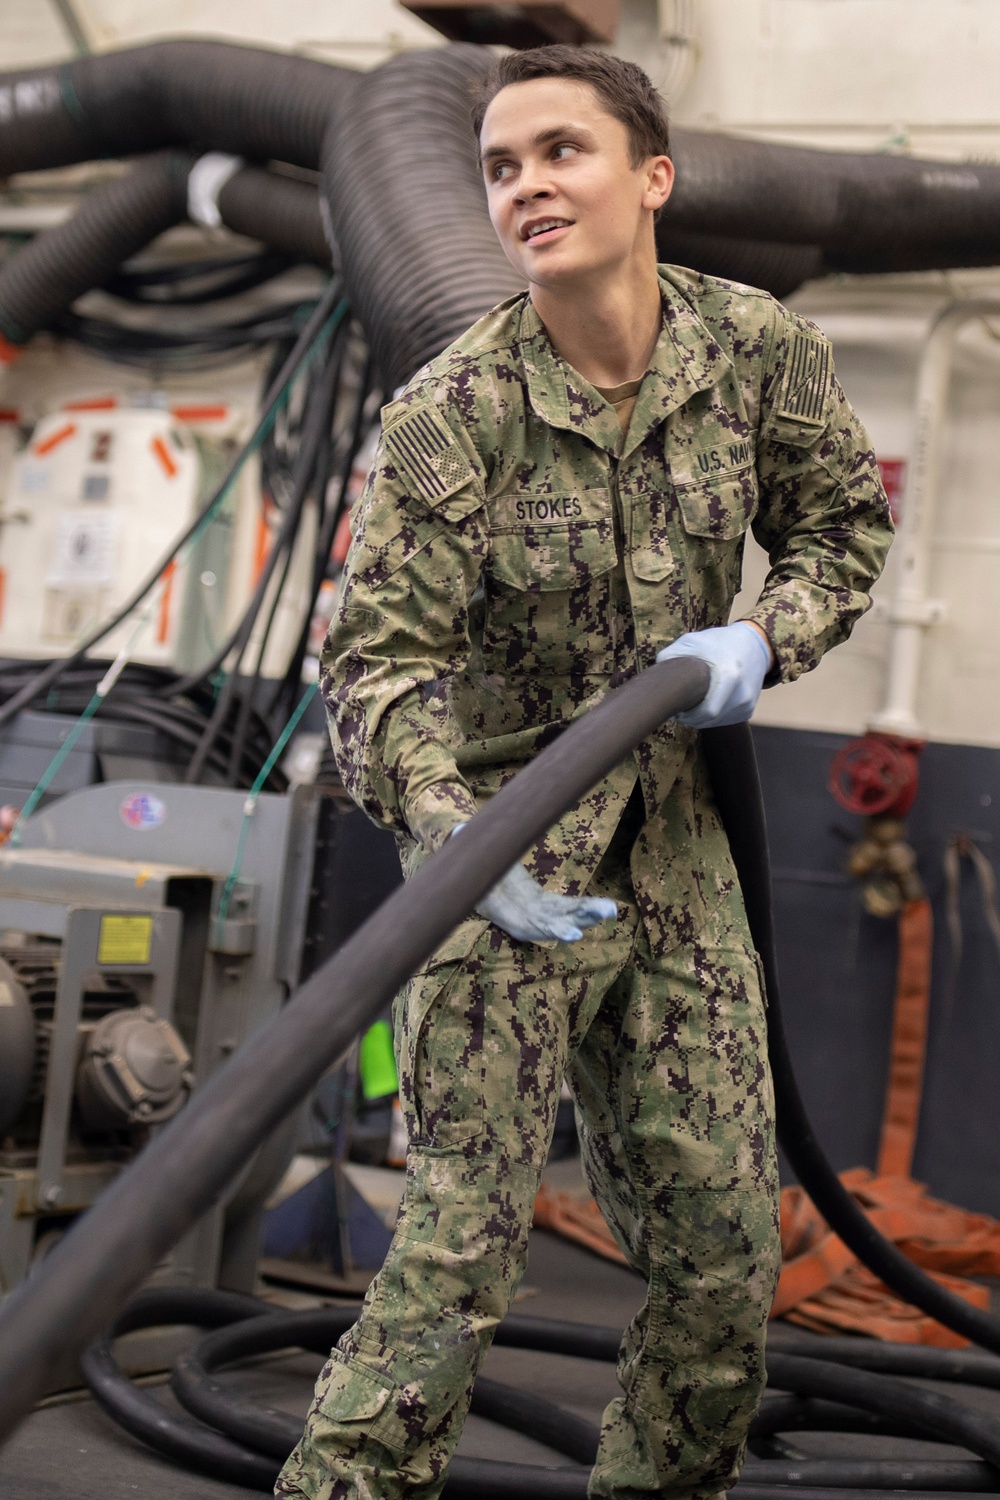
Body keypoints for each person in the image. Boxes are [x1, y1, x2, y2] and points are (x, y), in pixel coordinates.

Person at [277, 44, 892, 1500]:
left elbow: (841, 530)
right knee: (455, 1265)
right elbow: (374, 673)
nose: (526, 187)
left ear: (652, 177)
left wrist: (764, 635)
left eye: (561, 151)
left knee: (726, 1267)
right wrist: (459, 843)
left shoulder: (755, 354)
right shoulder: (452, 413)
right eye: (498, 167)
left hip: (678, 849)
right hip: (505, 852)